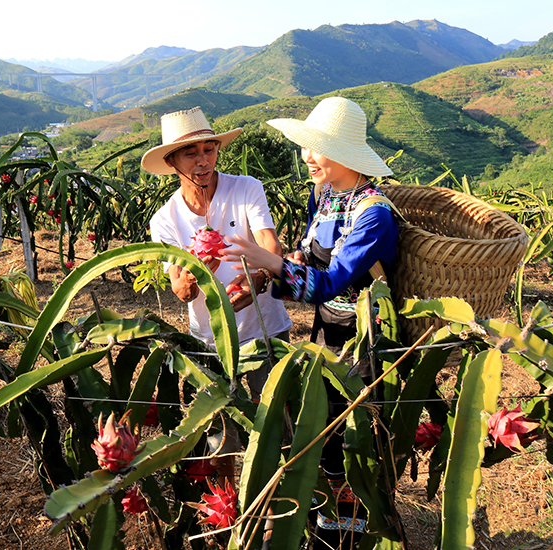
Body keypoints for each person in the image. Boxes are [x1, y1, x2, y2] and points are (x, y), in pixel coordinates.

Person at [219, 96, 400, 546]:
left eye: (316, 148)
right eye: (306, 146)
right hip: (326, 330)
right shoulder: (323, 194)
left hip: (364, 338)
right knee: (324, 428)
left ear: (344, 152)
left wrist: (270, 261)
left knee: (353, 437)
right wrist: (262, 279)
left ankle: (353, 536)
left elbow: (332, 281)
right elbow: (309, 255)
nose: (306, 156)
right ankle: (326, 530)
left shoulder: (373, 214)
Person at [142, 106, 293, 387]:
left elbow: (269, 244)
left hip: (266, 329)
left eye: (209, 150)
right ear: (172, 161)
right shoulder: (164, 220)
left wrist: (258, 278)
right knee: (222, 429)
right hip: (210, 341)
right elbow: (180, 290)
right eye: (191, 153)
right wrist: (191, 278)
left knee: (276, 423)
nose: (203, 161)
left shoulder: (247, 188)